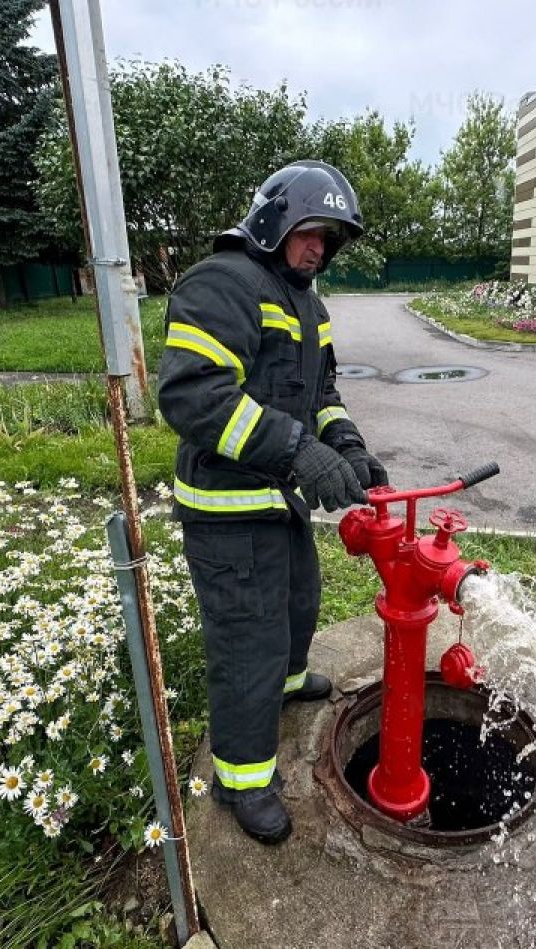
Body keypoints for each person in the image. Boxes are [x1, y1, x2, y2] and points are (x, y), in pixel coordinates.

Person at [157, 160, 387, 844]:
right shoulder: (219, 284)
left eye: (330, 239)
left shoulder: (308, 305)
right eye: (311, 232)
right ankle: (243, 779)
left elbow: (321, 397)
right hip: (226, 506)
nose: (320, 249)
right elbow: (194, 396)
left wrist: (345, 446)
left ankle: (286, 684)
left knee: (298, 600)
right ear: (273, 220)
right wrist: (296, 451)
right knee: (247, 641)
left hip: (273, 498)